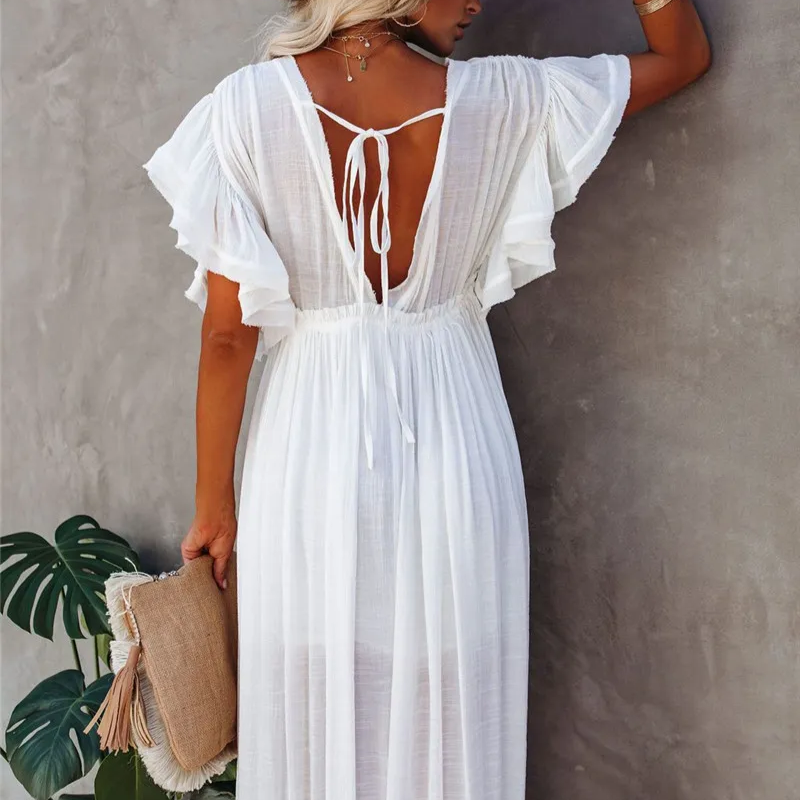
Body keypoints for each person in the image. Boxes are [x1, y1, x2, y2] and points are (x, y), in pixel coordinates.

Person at [141, 0, 711, 796]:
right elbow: (682, 57)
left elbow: (228, 337)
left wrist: (215, 506)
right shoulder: (507, 100)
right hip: (456, 443)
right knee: (447, 710)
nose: (477, 2)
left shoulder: (244, 110)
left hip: (307, 453)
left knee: (315, 700)